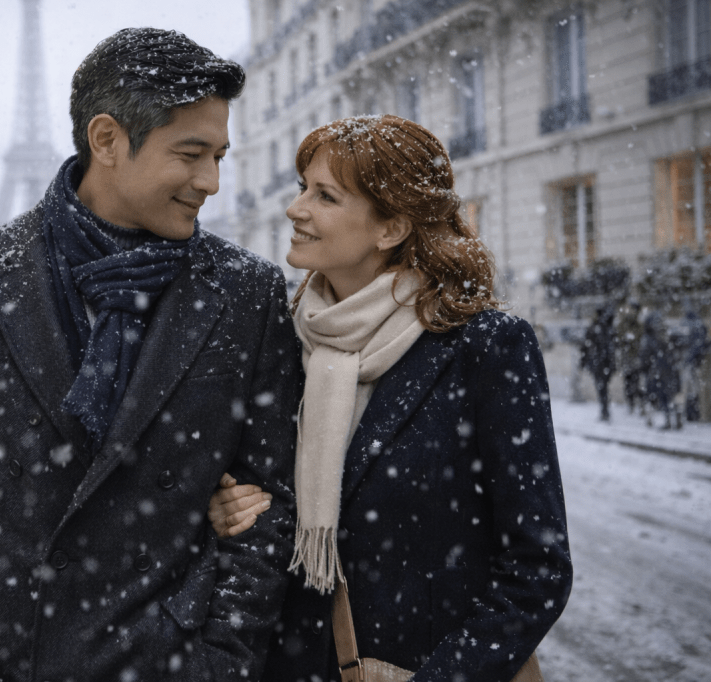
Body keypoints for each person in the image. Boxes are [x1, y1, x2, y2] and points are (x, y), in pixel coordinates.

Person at [0, 28, 300, 682]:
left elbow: (268, 504)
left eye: (219, 155)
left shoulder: (247, 294)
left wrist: (218, 662)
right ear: (106, 140)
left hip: (168, 662)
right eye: (190, 154)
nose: (211, 181)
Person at [209, 115, 573, 681]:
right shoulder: (279, 342)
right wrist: (221, 510)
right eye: (303, 187)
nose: (295, 208)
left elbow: (537, 568)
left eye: (324, 195)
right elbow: (248, 497)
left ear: (391, 228)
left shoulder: (484, 348)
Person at [639, 311, 682, 429]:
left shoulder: (650, 338)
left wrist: (644, 367)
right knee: (672, 395)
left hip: (658, 371)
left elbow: (645, 356)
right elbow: (676, 351)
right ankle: (677, 419)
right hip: (670, 370)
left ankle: (664, 420)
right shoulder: (669, 334)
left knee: (660, 396)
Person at [581, 304, 616, 421]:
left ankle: (604, 410)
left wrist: (583, 361)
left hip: (599, 363)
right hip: (604, 364)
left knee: (601, 387)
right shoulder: (607, 328)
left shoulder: (596, 328)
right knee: (603, 387)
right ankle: (605, 409)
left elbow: (585, 346)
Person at [679, 308, 709, 421]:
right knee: (693, 390)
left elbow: (695, 348)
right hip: (697, 364)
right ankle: (692, 413)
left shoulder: (696, 327)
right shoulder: (699, 326)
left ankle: (692, 414)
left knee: (692, 390)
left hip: (695, 365)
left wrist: (688, 361)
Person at [616, 299, 644, 413]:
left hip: (636, 357)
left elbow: (640, 338)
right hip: (627, 357)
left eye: (634, 309)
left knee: (636, 382)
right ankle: (630, 403)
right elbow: (619, 336)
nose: (632, 311)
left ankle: (638, 403)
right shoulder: (624, 322)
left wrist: (631, 340)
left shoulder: (639, 324)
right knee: (628, 382)